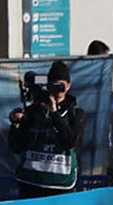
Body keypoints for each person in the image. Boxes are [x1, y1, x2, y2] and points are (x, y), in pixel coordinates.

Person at [8, 61, 85, 198]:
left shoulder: (76, 114)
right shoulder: (34, 111)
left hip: (61, 184)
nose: (57, 91)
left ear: (68, 86)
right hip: (29, 182)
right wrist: (15, 124)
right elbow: (17, 146)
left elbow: (70, 142)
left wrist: (54, 113)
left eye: (60, 87)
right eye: (53, 86)